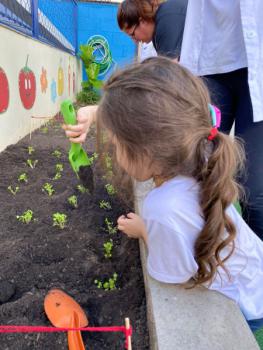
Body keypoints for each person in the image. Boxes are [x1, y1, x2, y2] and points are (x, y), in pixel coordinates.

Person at [64, 57, 263, 332]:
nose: (115, 153)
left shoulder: (162, 208)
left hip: (246, 302)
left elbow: (176, 274)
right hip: (254, 271)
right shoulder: (198, 153)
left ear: (145, 151)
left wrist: (146, 231)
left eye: (118, 143)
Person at [180, 0, 263, 240]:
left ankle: (256, 269)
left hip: (257, 64)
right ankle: (200, 258)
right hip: (209, 59)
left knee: (255, 193)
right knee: (195, 175)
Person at [117, 0, 188, 59]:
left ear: (142, 21)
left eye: (132, 34)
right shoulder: (160, 22)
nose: (135, 41)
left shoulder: (165, 21)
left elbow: (170, 71)